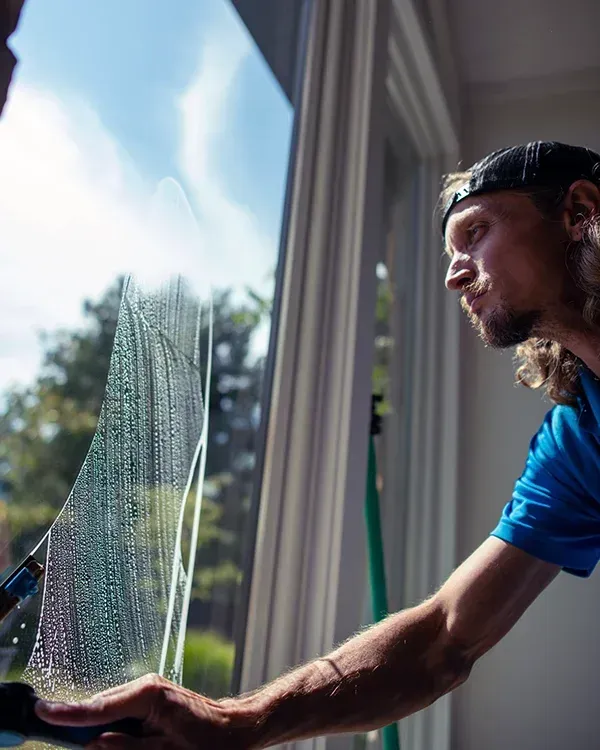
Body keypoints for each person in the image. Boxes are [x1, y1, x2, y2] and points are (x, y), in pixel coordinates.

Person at [35, 141, 600, 748]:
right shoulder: (579, 443)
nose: (453, 273)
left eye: (477, 231)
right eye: (451, 250)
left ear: (578, 210)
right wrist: (237, 723)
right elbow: (444, 636)